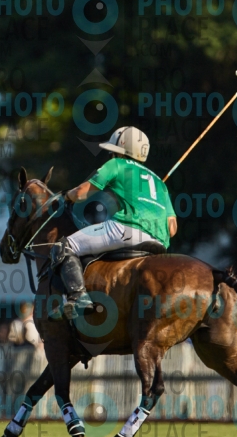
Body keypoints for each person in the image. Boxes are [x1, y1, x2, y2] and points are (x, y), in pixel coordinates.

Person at [53, 126, 177, 318]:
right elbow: (172, 228)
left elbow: (81, 193)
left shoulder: (116, 165)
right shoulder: (159, 182)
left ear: (120, 152)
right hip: (159, 242)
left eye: (112, 151)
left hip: (127, 230)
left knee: (63, 246)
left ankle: (78, 298)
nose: (111, 155)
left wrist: (66, 196)